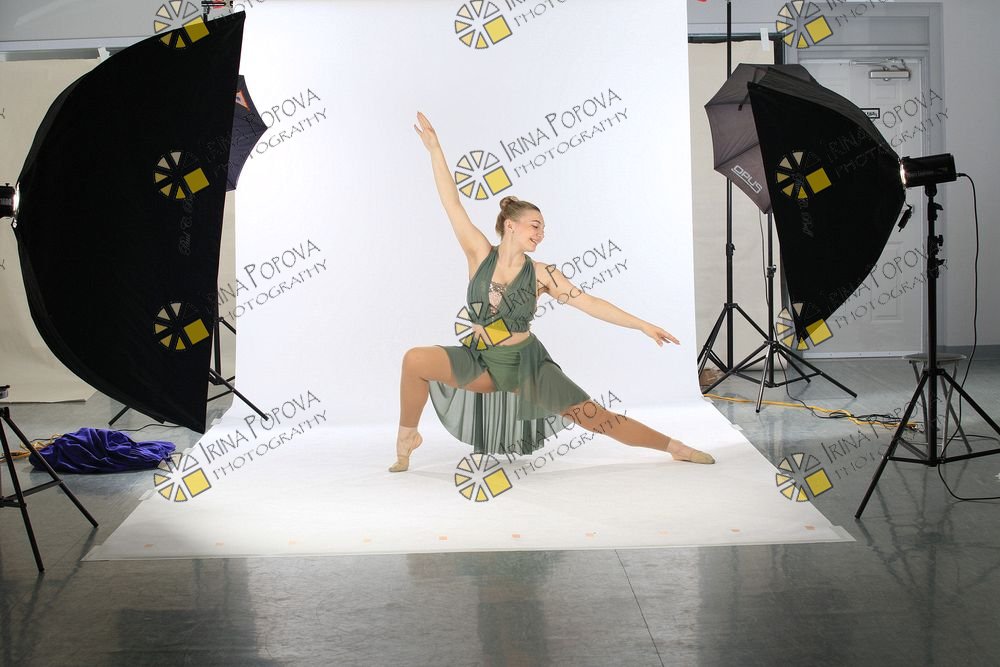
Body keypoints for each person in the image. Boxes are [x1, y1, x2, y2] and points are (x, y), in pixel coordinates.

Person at [390, 111, 715, 472]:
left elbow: (591, 303)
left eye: (543, 229)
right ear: (510, 226)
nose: (540, 234)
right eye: (535, 226)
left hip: (525, 366)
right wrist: (435, 150)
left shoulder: (543, 274)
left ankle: (675, 447)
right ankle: (408, 437)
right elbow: (452, 204)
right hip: (480, 361)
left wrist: (642, 324)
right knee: (414, 360)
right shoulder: (479, 254)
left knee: (596, 417)